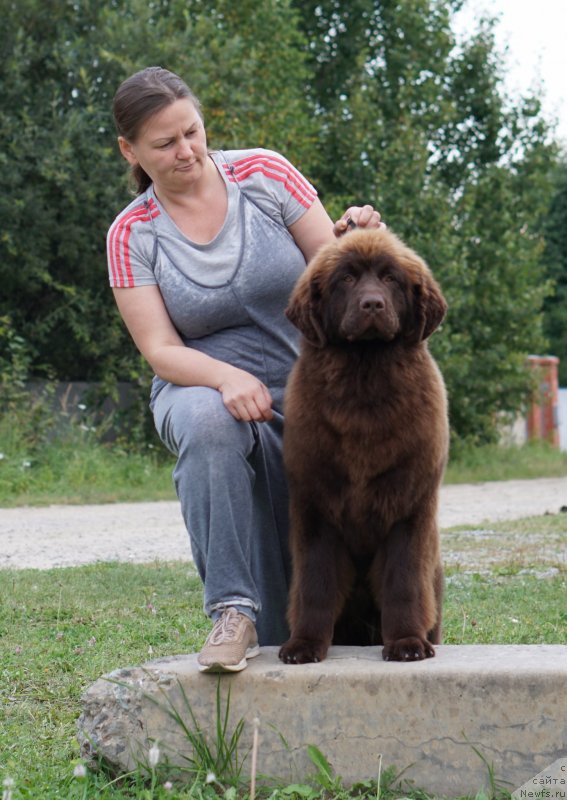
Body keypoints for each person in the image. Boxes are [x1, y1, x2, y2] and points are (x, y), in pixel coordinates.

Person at [108, 66, 382, 673]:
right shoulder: (131, 233)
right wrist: (225, 377)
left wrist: (353, 236)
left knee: (312, 628)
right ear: (130, 151)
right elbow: (159, 348)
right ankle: (231, 613)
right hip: (195, 384)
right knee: (209, 422)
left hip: (302, 385)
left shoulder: (264, 174)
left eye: (192, 133)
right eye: (165, 143)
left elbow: (330, 268)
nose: (186, 152)